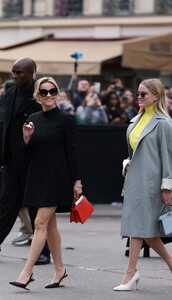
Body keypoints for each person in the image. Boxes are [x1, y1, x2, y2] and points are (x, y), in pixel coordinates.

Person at [10, 76, 82, 290]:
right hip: (37, 176)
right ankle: (60, 270)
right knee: (49, 226)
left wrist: (77, 182)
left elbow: (72, 153)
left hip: (57, 178)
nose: (48, 95)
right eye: (44, 92)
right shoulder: (33, 118)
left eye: (52, 91)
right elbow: (27, 154)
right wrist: (26, 138)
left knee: (39, 223)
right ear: (38, 95)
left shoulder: (65, 120)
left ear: (57, 93)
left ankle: (26, 272)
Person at [114, 78, 172, 292]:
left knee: (138, 226)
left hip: (152, 183)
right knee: (145, 230)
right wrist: (128, 163)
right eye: (138, 94)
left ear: (157, 95)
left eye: (144, 94)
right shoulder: (137, 119)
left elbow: (168, 158)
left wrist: (167, 187)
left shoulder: (164, 123)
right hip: (134, 179)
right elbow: (134, 151)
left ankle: (130, 273)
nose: (139, 97)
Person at [0, 57, 50, 264]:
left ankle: (43, 252)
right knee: (6, 205)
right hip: (11, 161)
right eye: (13, 72)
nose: (15, 76)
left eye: (20, 72)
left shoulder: (40, 97)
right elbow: (4, 127)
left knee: (35, 208)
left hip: (33, 162)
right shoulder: (9, 93)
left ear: (33, 73)